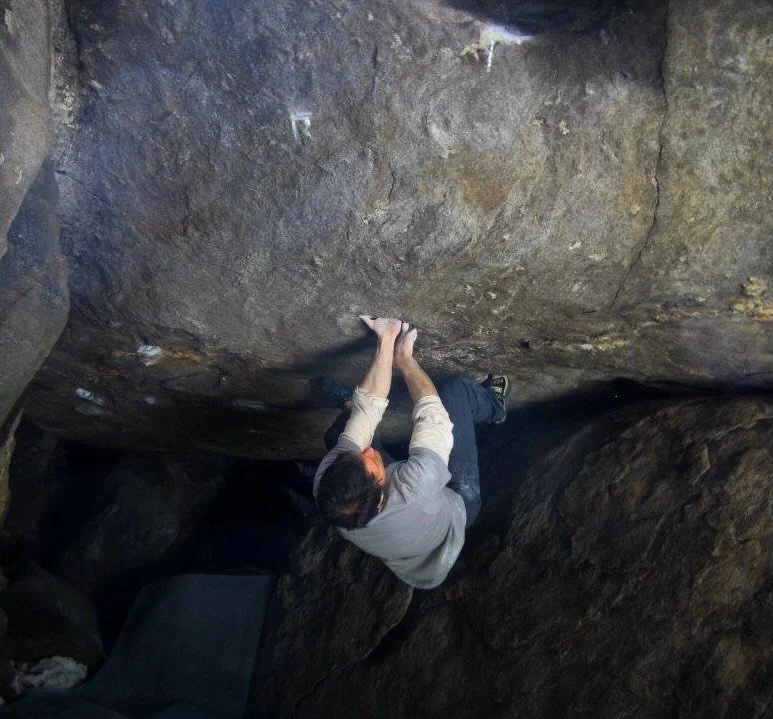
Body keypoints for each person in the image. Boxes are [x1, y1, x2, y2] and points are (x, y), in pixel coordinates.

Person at [313, 316, 509, 589]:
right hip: (456, 507)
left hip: (411, 534)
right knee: (455, 391)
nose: (368, 451)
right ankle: (496, 407)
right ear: (380, 487)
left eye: (356, 455)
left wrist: (386, 337)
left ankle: (348, 405)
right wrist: (404, 359)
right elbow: (432, 415)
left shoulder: (328, 490)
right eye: (370, 460)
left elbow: (367, 409)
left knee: (340, 433)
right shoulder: (416, 486)